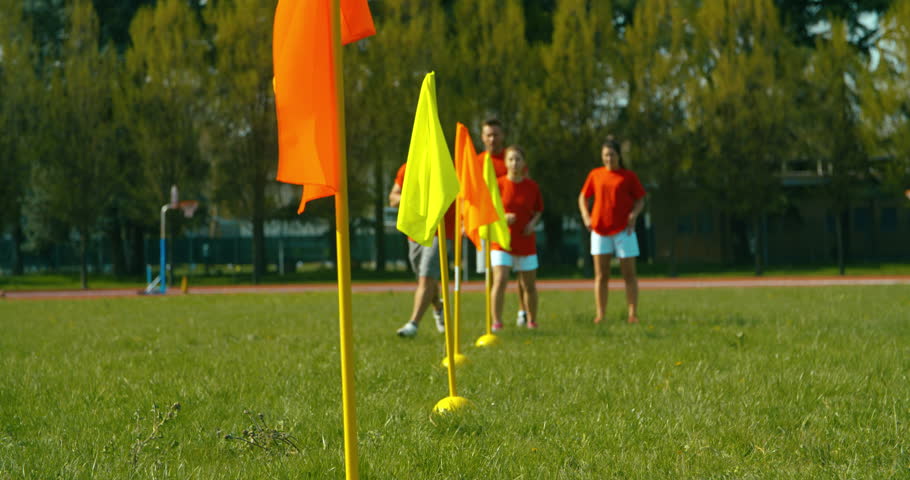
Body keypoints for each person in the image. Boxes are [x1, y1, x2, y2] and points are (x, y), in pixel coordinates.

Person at [578, 138, 646, 324]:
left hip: (625, 231)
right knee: (601, 274)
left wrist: (634, 214)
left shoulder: (628, 176)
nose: (609, 158)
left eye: (612, 155)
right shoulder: (595, 175)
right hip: (600, 230)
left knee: (629, 273)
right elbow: (583, 197)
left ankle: (632, 314)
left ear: (618, 156)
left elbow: (641, 199)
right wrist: (586, 216)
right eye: (606, 155)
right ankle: (601, 314)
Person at [475, 118, 531, 325]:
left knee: (520, 273)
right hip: (487, 226)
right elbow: (471, 195)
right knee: (493, 274)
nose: (492, 139)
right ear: (482, 137)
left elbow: (525, 188)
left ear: (502, 136)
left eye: (495, 134)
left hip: (514, 226)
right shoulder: (478, 162)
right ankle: (494, 319)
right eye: (488, 135)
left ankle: (522, 311)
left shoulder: (511, 158)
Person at [389, 162, 455, 337]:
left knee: (426, 277)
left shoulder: (444, 165)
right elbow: (393, 198)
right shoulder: (407, 167)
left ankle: (413, 324)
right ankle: (439, 309)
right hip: (415, 232)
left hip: (440, 231)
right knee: (425, 280)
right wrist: (411, 198)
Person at [490, 146, 543, 331]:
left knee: (528, 284)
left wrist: (532, 223)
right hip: (502, 241)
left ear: (524, 163)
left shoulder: (532, 186)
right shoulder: (498, 184)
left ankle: (532, 321)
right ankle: (496, 322)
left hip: (525, 240)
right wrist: (503, 218)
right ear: (505, 162)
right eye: (511, 159)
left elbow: (538, 211)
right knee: (501, 279)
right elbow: (489, 211)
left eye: (518, 159)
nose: (514, 163)